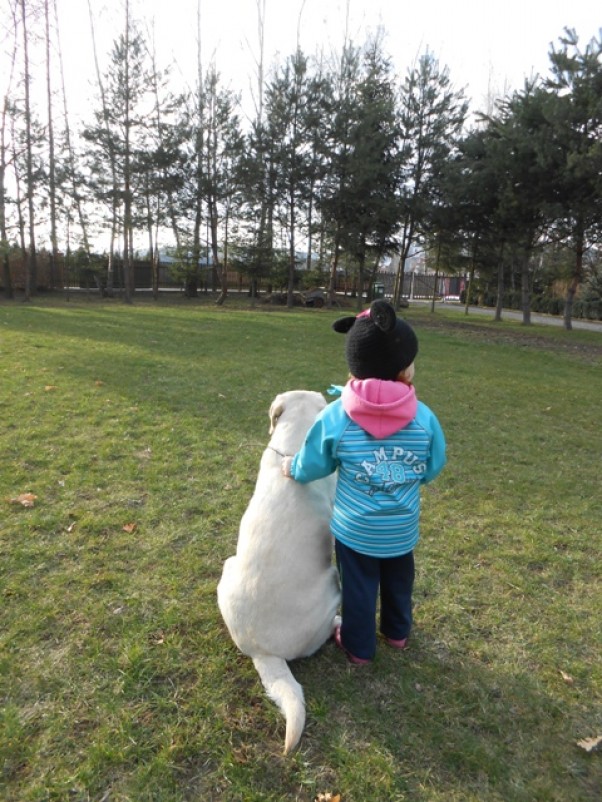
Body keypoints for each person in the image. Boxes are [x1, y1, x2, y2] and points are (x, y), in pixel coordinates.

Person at [282, 299, 446, 665]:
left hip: (355, 531)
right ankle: (397, 632)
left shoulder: (336, 416)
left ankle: (358, 646)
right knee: (399, 582)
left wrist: (292, 468)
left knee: (359, 589)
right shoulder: (424, 417)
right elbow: (433, 466)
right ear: (405, 366)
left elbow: (314, 462)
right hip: (401, 527)